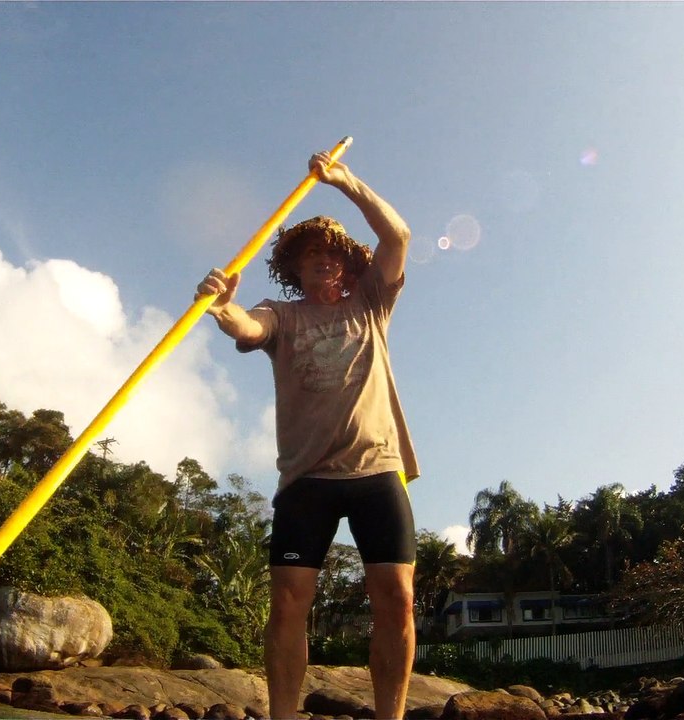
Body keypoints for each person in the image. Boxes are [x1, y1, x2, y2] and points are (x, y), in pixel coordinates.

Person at [196, 151, 420, 719]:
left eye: (333, 253)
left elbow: (397, 235)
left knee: (397, 599)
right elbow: (249, 327)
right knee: (288, 602)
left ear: (348, 266)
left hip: (376, 471)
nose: (323, 259)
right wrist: (223, 308)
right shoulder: (281, 314)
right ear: (295, 267)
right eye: (311, 253)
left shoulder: (371, 303)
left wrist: (345, 182)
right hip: (306, 480)